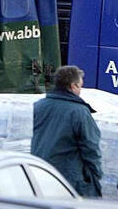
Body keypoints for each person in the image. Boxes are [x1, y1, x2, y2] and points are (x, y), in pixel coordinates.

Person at [30, 65, 103, 197]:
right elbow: (91, 147)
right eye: (80, 87)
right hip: (69, 180)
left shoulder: (39, 106)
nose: (80, 91)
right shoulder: (79, 112)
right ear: (73, 86)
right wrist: (96, 175)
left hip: (40, 173)